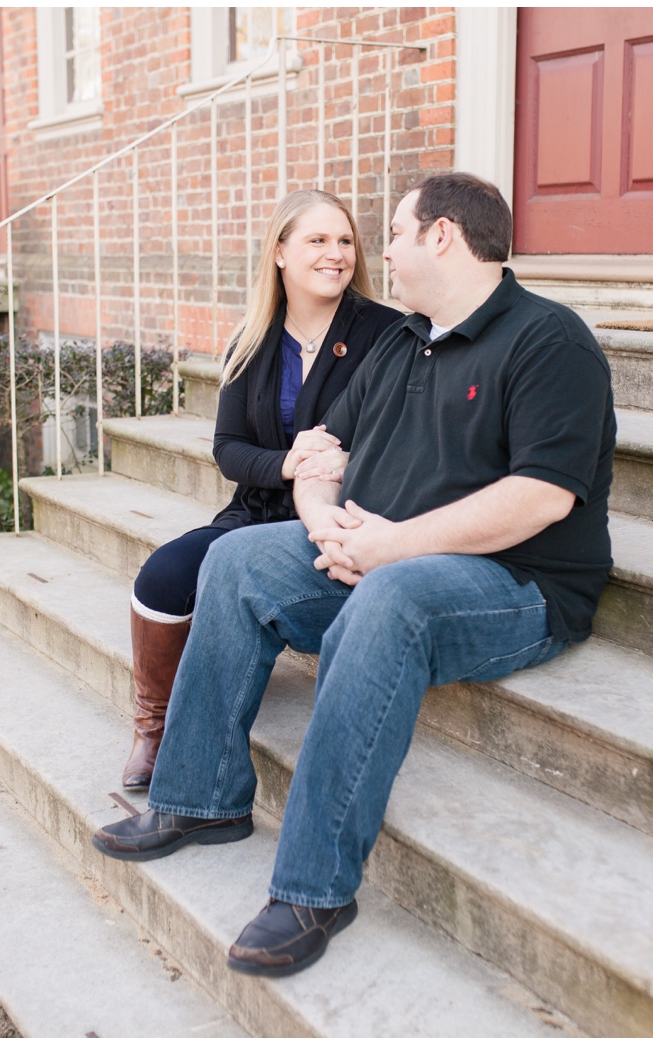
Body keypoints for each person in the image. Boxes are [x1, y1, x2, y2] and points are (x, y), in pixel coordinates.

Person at [93, 173, 616, 977]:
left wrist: (390, 547)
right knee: (234, 559)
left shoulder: (549, 341)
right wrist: (326, 523)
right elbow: (319, 452)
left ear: (443, 235)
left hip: (514, 585)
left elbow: (539, 497)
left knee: (391, 597)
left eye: (398, 233)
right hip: (379, 550)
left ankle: (314, 888)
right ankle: (199, 797)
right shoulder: (406, 340)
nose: (387, 252)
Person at [119, 189, 402, 790]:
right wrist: (286, 464)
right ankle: (153, 723)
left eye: (345, 240)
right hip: (254, 511)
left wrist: (328, 466)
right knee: (160, 580)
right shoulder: (253, 338)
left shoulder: (387, 333)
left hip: (339, 517)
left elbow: (396, 440)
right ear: (279, 251)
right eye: (317, 240)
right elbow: (228, 449)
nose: (336, 254)